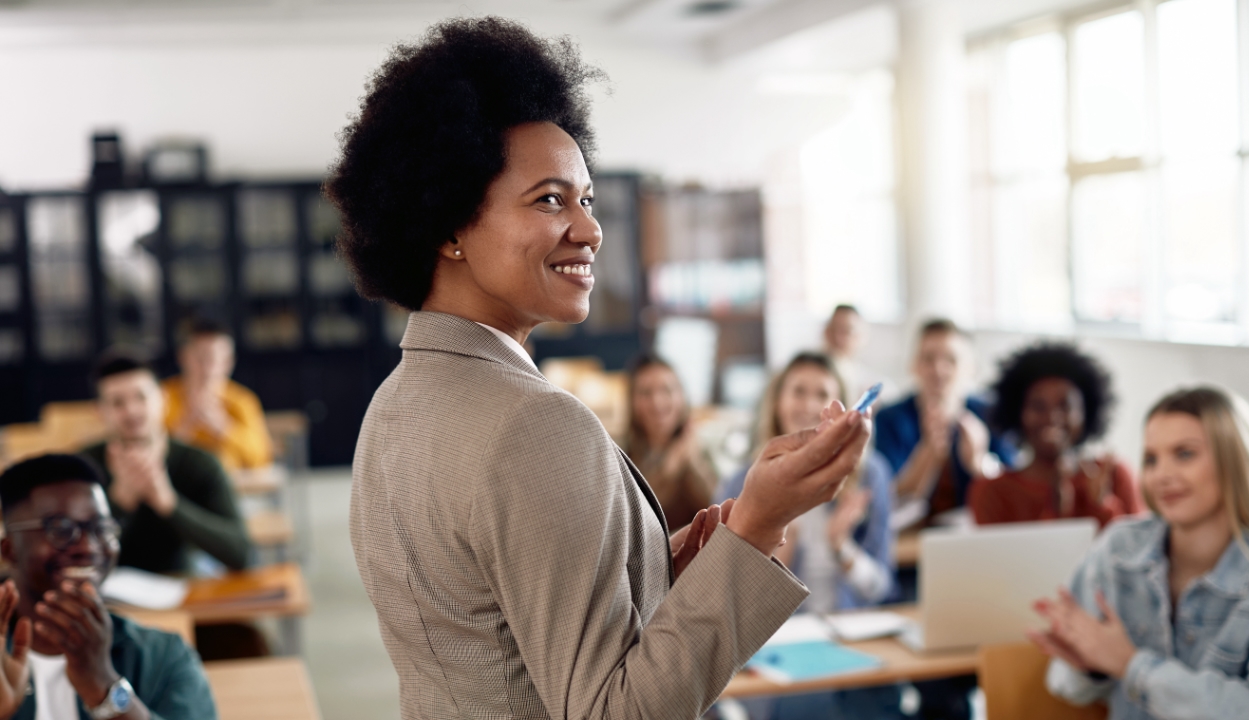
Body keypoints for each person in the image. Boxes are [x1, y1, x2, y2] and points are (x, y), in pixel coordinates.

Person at [327, 17, 873, 720]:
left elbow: (490, 627)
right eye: (549, 200)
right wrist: (759, 527)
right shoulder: (534, 424)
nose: (589, 228)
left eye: (585, 199)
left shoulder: (395, 404)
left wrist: (665, 562)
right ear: (448, 227)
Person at [1030, 386, 1249, 719]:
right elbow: (1064, 684)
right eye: (1151, 459)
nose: (1161, 475)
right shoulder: (1117, 549)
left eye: (1185, 454)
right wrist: (1091, 668)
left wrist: (1129, 664)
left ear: (1235, 459)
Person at [719, 353, 899, 720]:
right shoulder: (741, 484)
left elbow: (880, 590)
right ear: (777, 402)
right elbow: (724, 601)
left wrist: (841, 547)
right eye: (798, 391)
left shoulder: (871, 475)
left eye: (822, 394)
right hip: (780, 650)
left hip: (851, 644)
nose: (809, 405)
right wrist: (777, 559)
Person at [0, 454, 216, 720]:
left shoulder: (162, 656)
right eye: (61, 529)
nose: (88, 547)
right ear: (9, 550)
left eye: (101, 528)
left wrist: (103, 685)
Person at [81, 351, 250, 575]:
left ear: (163, 399)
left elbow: (240, 553)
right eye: (117, 402)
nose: (131, 411)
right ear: (99, 411)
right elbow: (70, 555)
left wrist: (168, 502)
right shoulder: (82, 469)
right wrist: (120, 501)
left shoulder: (200, 462)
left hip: (184, 593)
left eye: (141, 397)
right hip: (107, 597)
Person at [969, 342, 1143, 527]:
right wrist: (1056, 508)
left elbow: (1141, 549)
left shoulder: (1113, 476)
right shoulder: (992, 492)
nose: (1052, 417)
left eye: (1065, 406)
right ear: (1017, 413)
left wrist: (1102, 504)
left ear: (1086, 413)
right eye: (1038, 406)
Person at [874, 318, 1017, 525]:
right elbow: (887, 495)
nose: (938, 370)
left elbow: (1014, 487)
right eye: (928, 359)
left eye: (951, 360)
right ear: (914, 365)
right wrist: (928, 452)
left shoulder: (991, 413)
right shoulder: (890, 418)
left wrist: (979, 461)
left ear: (971, 368)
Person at [162, 317, 273, 473]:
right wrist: (185, 426)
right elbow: (151, 455)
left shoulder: (242, 400)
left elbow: (261, 457)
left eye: (214, 359)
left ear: (229, 363)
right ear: (182, 358)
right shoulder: (161, 397)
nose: (207, 368)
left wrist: (223, 427)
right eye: (200, 358)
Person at [623, 356, 718, 531]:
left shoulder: (704, 447)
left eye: (667, 390)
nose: (657, 402)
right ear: (632, 401)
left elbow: (718, 509)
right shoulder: (622, 457)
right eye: (645, 393)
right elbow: (635, 523)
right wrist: (671, 466)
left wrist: (691, 459)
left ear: (682, 396)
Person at [823, 304, 898, 402]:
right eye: (833, 330)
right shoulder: (805, 377)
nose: (837, 337)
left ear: (861, 337)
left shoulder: (875, 388)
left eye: (846, 331)